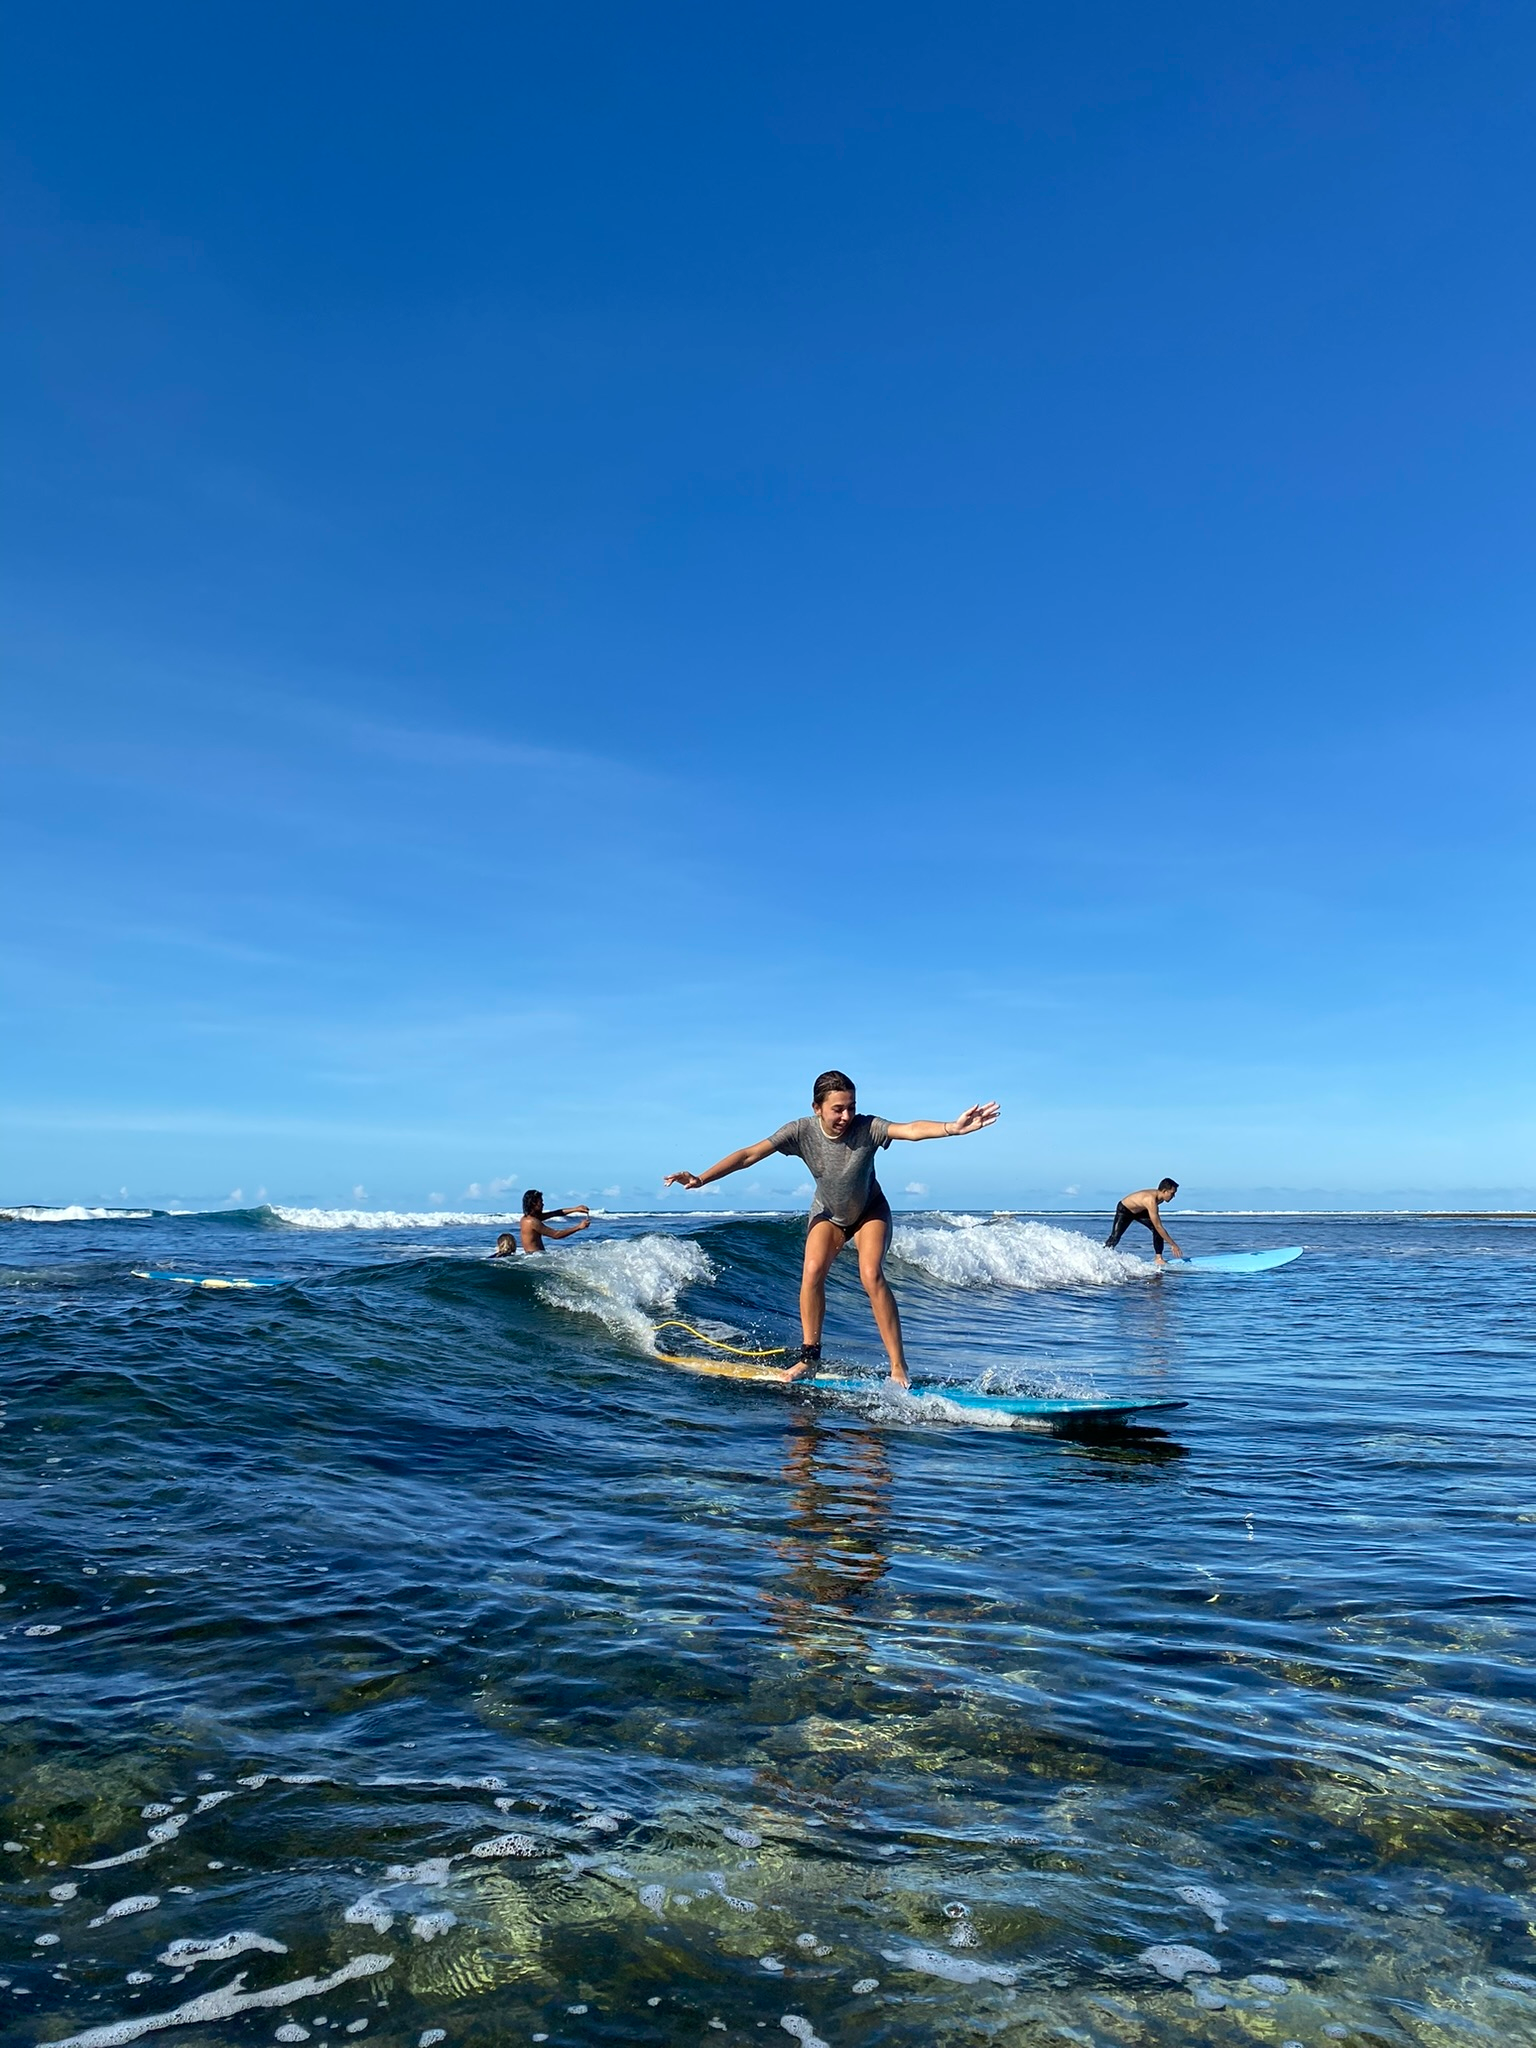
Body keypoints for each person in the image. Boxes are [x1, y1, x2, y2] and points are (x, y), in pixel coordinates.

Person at [664, 1069, 999, 1388]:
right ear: (817, 1108)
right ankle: (809, 1360)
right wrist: (702, 1179)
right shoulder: (800, 1131)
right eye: (838, 1109)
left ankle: (898, 1366)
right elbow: (750, 1155)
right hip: (828, 1213)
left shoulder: (868, 1127)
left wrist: (952, 1128)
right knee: (812, 1272)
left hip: (870, 1211)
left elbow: (909, 1130)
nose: (846, 1116)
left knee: (871, 1274)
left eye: (851, 1107)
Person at [1104, 1179, 1182, 1264]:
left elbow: (1157, 1226)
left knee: (1157, 1231)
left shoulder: (1160, 1198)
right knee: (1115, 1236)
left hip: (1140, 1210)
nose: (1173, 1196)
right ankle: (1103, 1255)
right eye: (1172, 1193)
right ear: (1164, 1191)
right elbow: (1158, 1226)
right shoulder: (1150, 1200)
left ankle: (1158, 1258)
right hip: (1124, 1210)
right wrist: (1173, 1244)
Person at [492, 1191, 592, 1256]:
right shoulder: (532, 1222)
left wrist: (576, 1209)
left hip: (534, 1256)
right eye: (541, 1202)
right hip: (535, 1258)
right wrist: (579, 1227)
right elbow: (556, 1235)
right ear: (534, 1203)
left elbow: (556, 1213)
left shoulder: (526, 1219)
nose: (543, 1204)